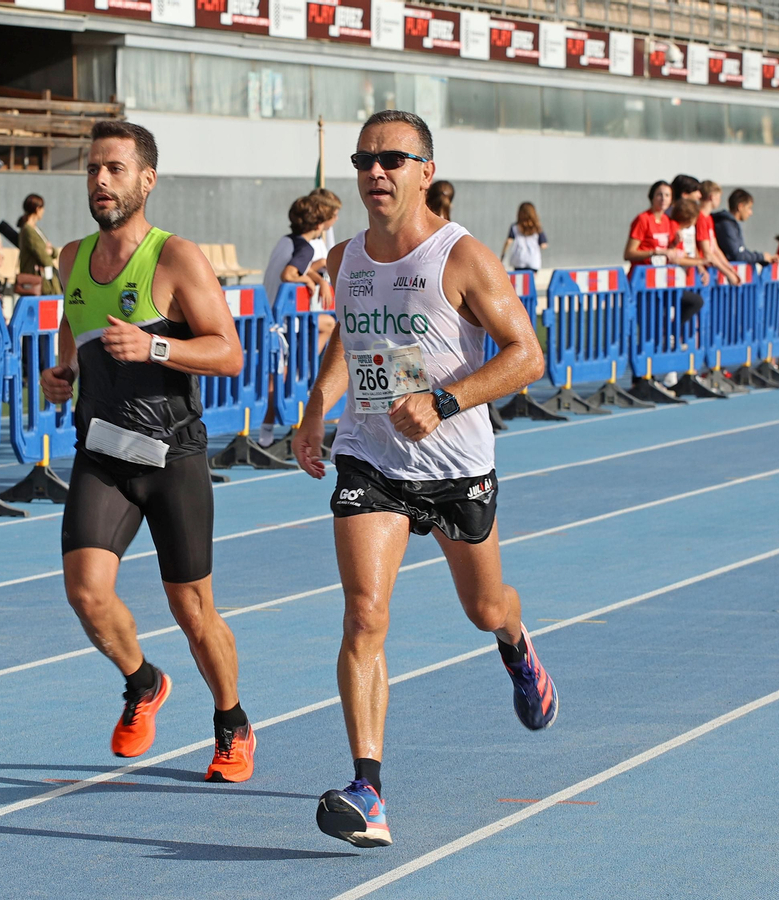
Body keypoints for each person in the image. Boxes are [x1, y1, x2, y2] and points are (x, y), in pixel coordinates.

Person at [291, 110, 557, 849]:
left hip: (454, 466)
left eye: (393, 160)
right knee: (365, 613)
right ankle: (367, 790)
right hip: (370, 456)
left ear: (425, 172)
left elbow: (526, 356)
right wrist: (317, 406)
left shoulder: (461, 255)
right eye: (365, 159)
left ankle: (515, 643)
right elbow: (354, 334)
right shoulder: (345, 258)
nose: (376, 172)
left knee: (484, 606)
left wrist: (443, 401)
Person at [39, 121, 257, 784]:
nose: (101, 181)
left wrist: (157, 346)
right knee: (86, 594)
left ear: (146, 180)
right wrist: (64, 374)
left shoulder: (175, 258)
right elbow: (72, 330)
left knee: (193, 611)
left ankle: (232, 722)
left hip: (173, 457)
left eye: (115, 169)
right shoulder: (71, 257)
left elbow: (229, 351)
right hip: (102, 452)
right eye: (93, 170)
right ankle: (143, 682)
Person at [259, 194, 338, 447]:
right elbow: (290, 272)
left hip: (270, 317)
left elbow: (300, 265)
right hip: (281, 323)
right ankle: (267, 431)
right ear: (319, 225)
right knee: (279, 377)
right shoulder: (305, 247)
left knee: (276, 376)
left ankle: (267, 430)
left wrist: (315, 276)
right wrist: (306, 279)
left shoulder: (287, 241)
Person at [713, 189, 776, 265]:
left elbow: (742, 252)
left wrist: (763, 259)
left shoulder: (732, 224)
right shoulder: (726, 225)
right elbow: (737, 255)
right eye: (749, 208)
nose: (751, 213)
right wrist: (761, 257)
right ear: (740, 206)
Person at [625, 181, 676, 266]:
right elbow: (629, 254)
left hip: (660, 273)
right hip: (643, 274)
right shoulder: (643, 219)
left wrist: (675, 243)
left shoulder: (667, 220)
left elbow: (666, 250)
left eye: (667, 195)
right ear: (652, 197)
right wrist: (654, 252)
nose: (663, 199)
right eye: (659, 195)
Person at [18, 194, 61, 295]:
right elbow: (44, 257)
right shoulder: (28, 231)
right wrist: (48, 252)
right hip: (38, 281)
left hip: (45, 279)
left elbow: (52, 251)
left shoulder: (36, 230)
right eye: (42, 208)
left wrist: (52, 251)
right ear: (37, 209)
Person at [499, 202, 547, 272]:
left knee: (520, 280)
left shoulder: (515, 227)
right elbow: (543, 245)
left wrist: (502, 255)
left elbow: (508, 241)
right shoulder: (537, 227)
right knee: (530, 281)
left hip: (519, 258)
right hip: (533, 259)